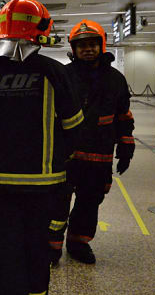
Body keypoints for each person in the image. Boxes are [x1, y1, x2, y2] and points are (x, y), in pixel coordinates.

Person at [0, 0, 84, 295]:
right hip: (45, 184)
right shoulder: (53, 72)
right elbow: (74, 125)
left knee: (5, 252)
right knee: (38, 246)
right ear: (41, 29)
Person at [48, 20, 135, 265]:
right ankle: (51, 247)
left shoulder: (116, 79)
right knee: (57, 201)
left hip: (100, 155)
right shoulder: (63, 76)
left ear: (101, 46)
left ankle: (79, 243)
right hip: (66, 154)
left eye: (92, 45)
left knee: (90, 201)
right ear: (74, 49)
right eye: (82, 45)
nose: (88, 49)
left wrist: (126, 145)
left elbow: (123, 115)